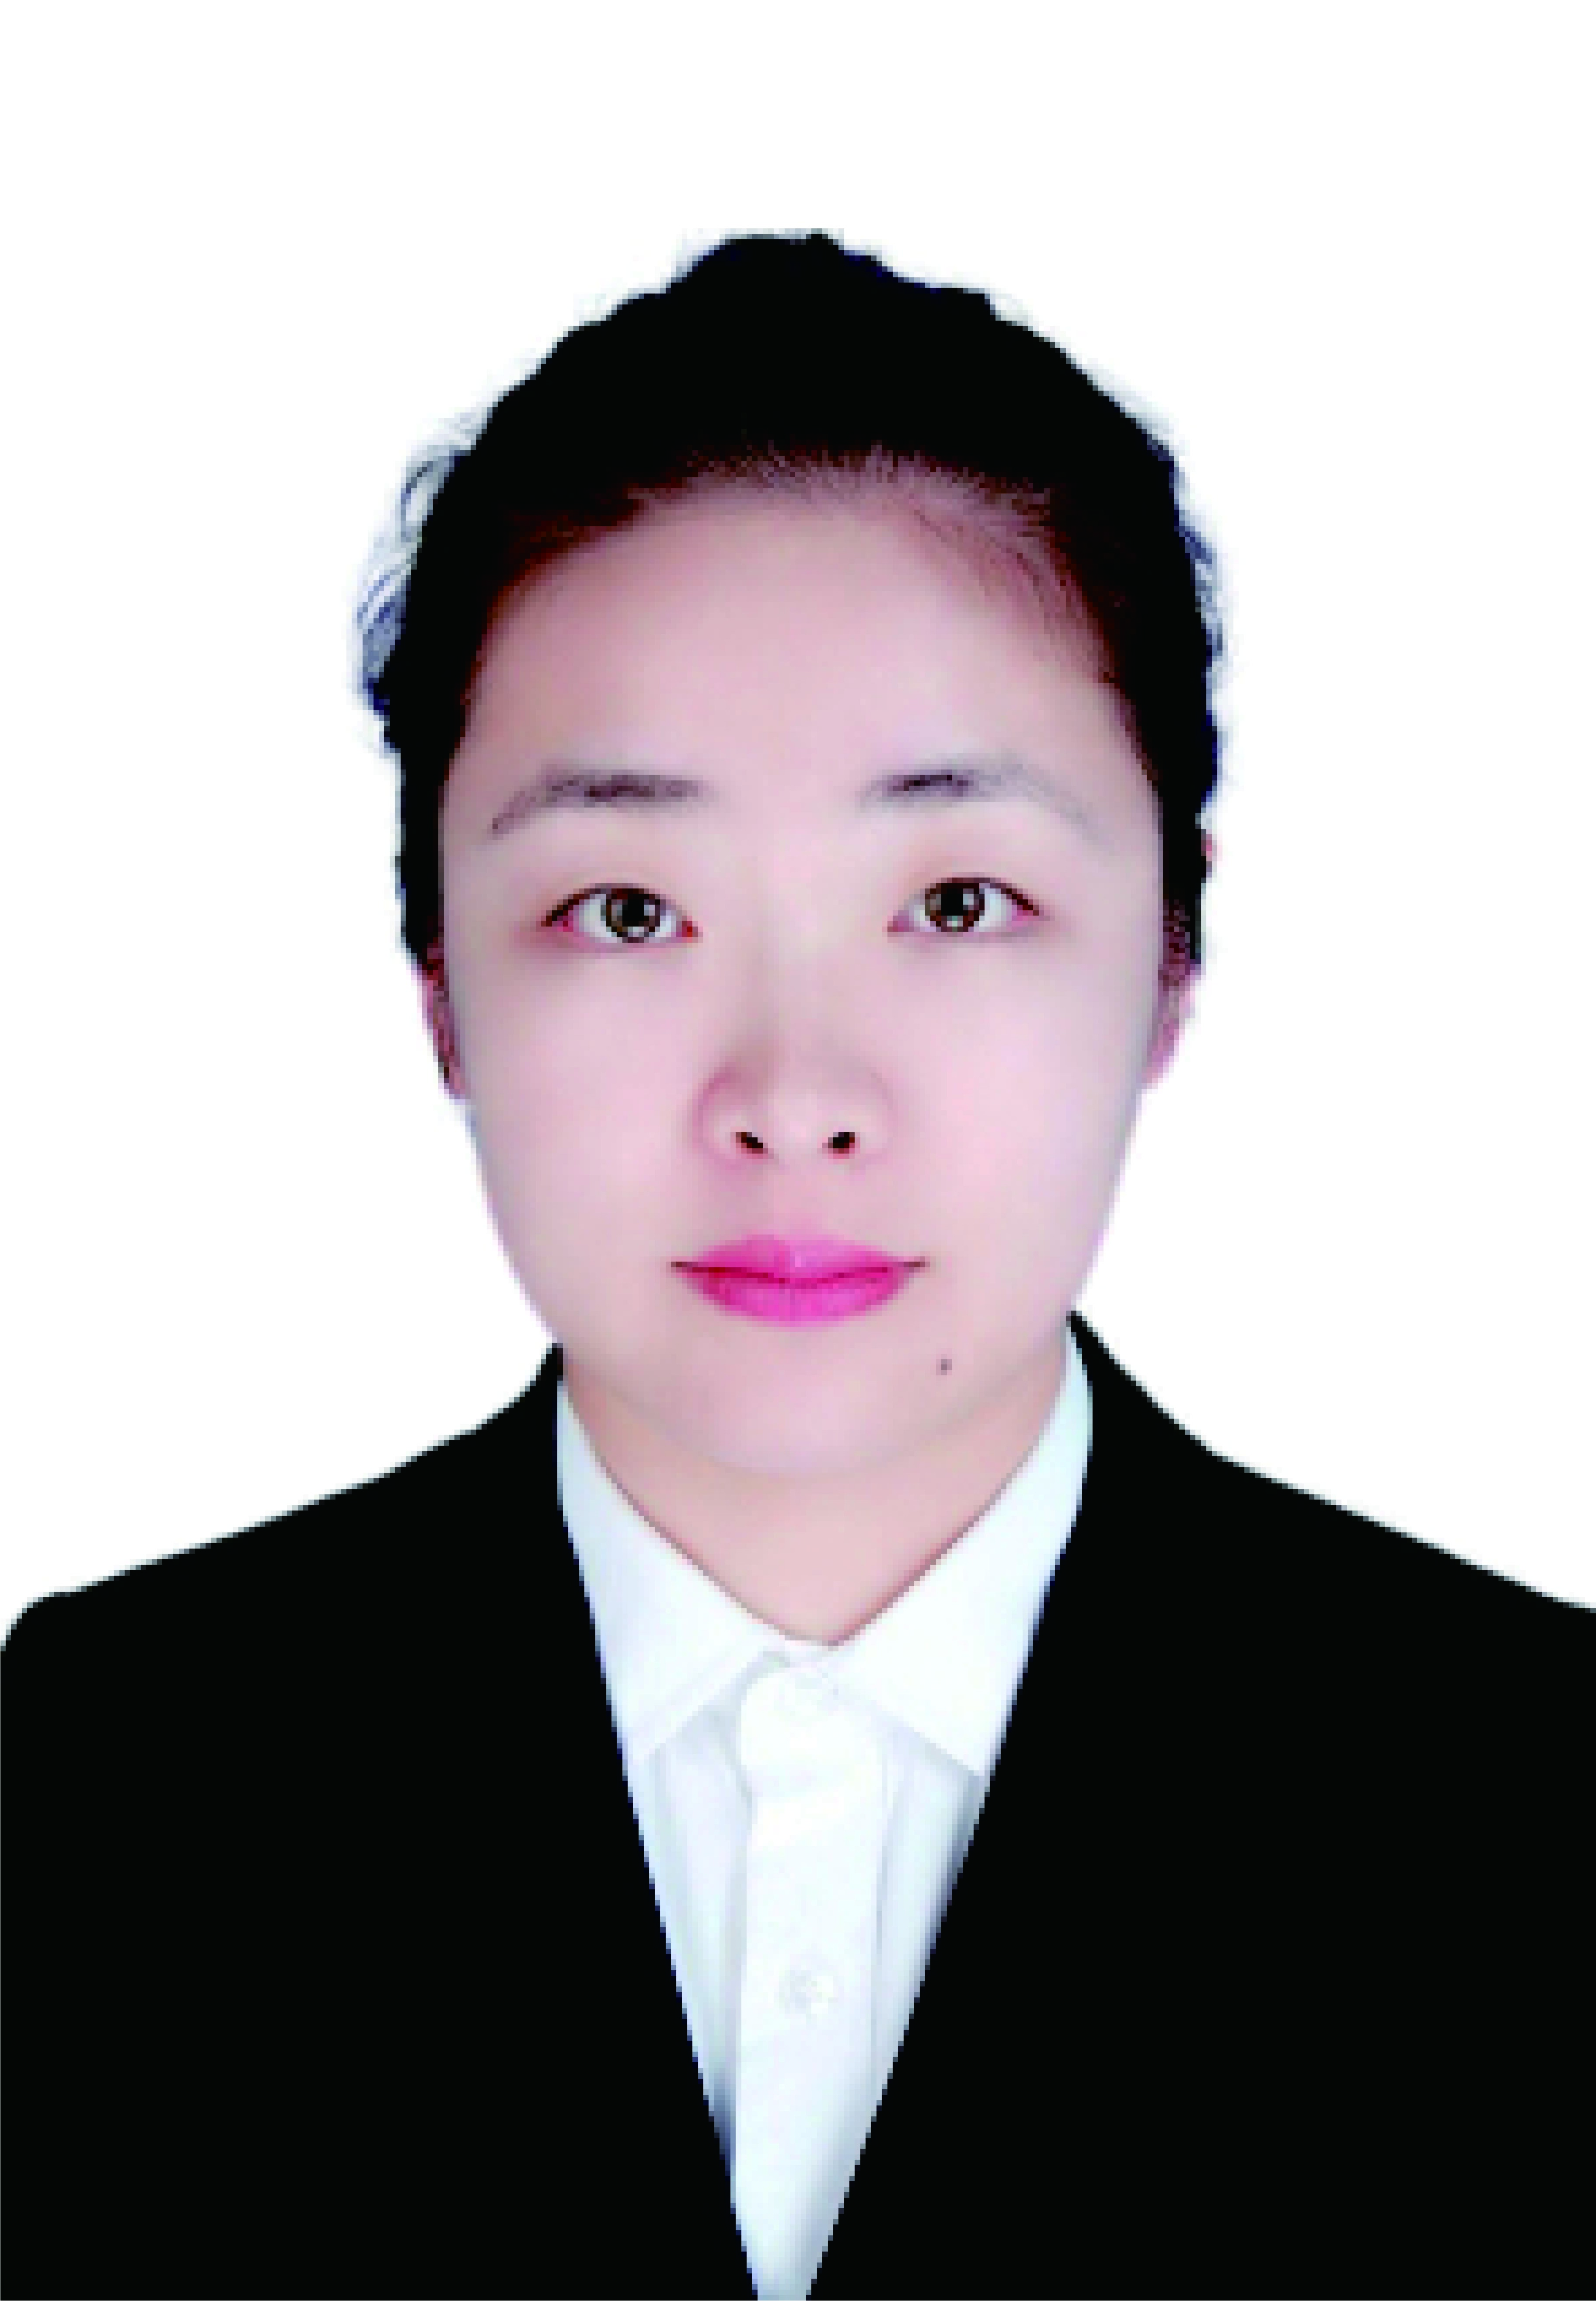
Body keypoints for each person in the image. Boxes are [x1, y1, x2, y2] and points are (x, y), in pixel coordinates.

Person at [3, 232, 1590, 2301]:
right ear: (442, 983)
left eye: (956, 898)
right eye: (628, 911)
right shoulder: (90, 1788)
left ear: (1172, 956)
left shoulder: (1546, 1804)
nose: (793, 1096)